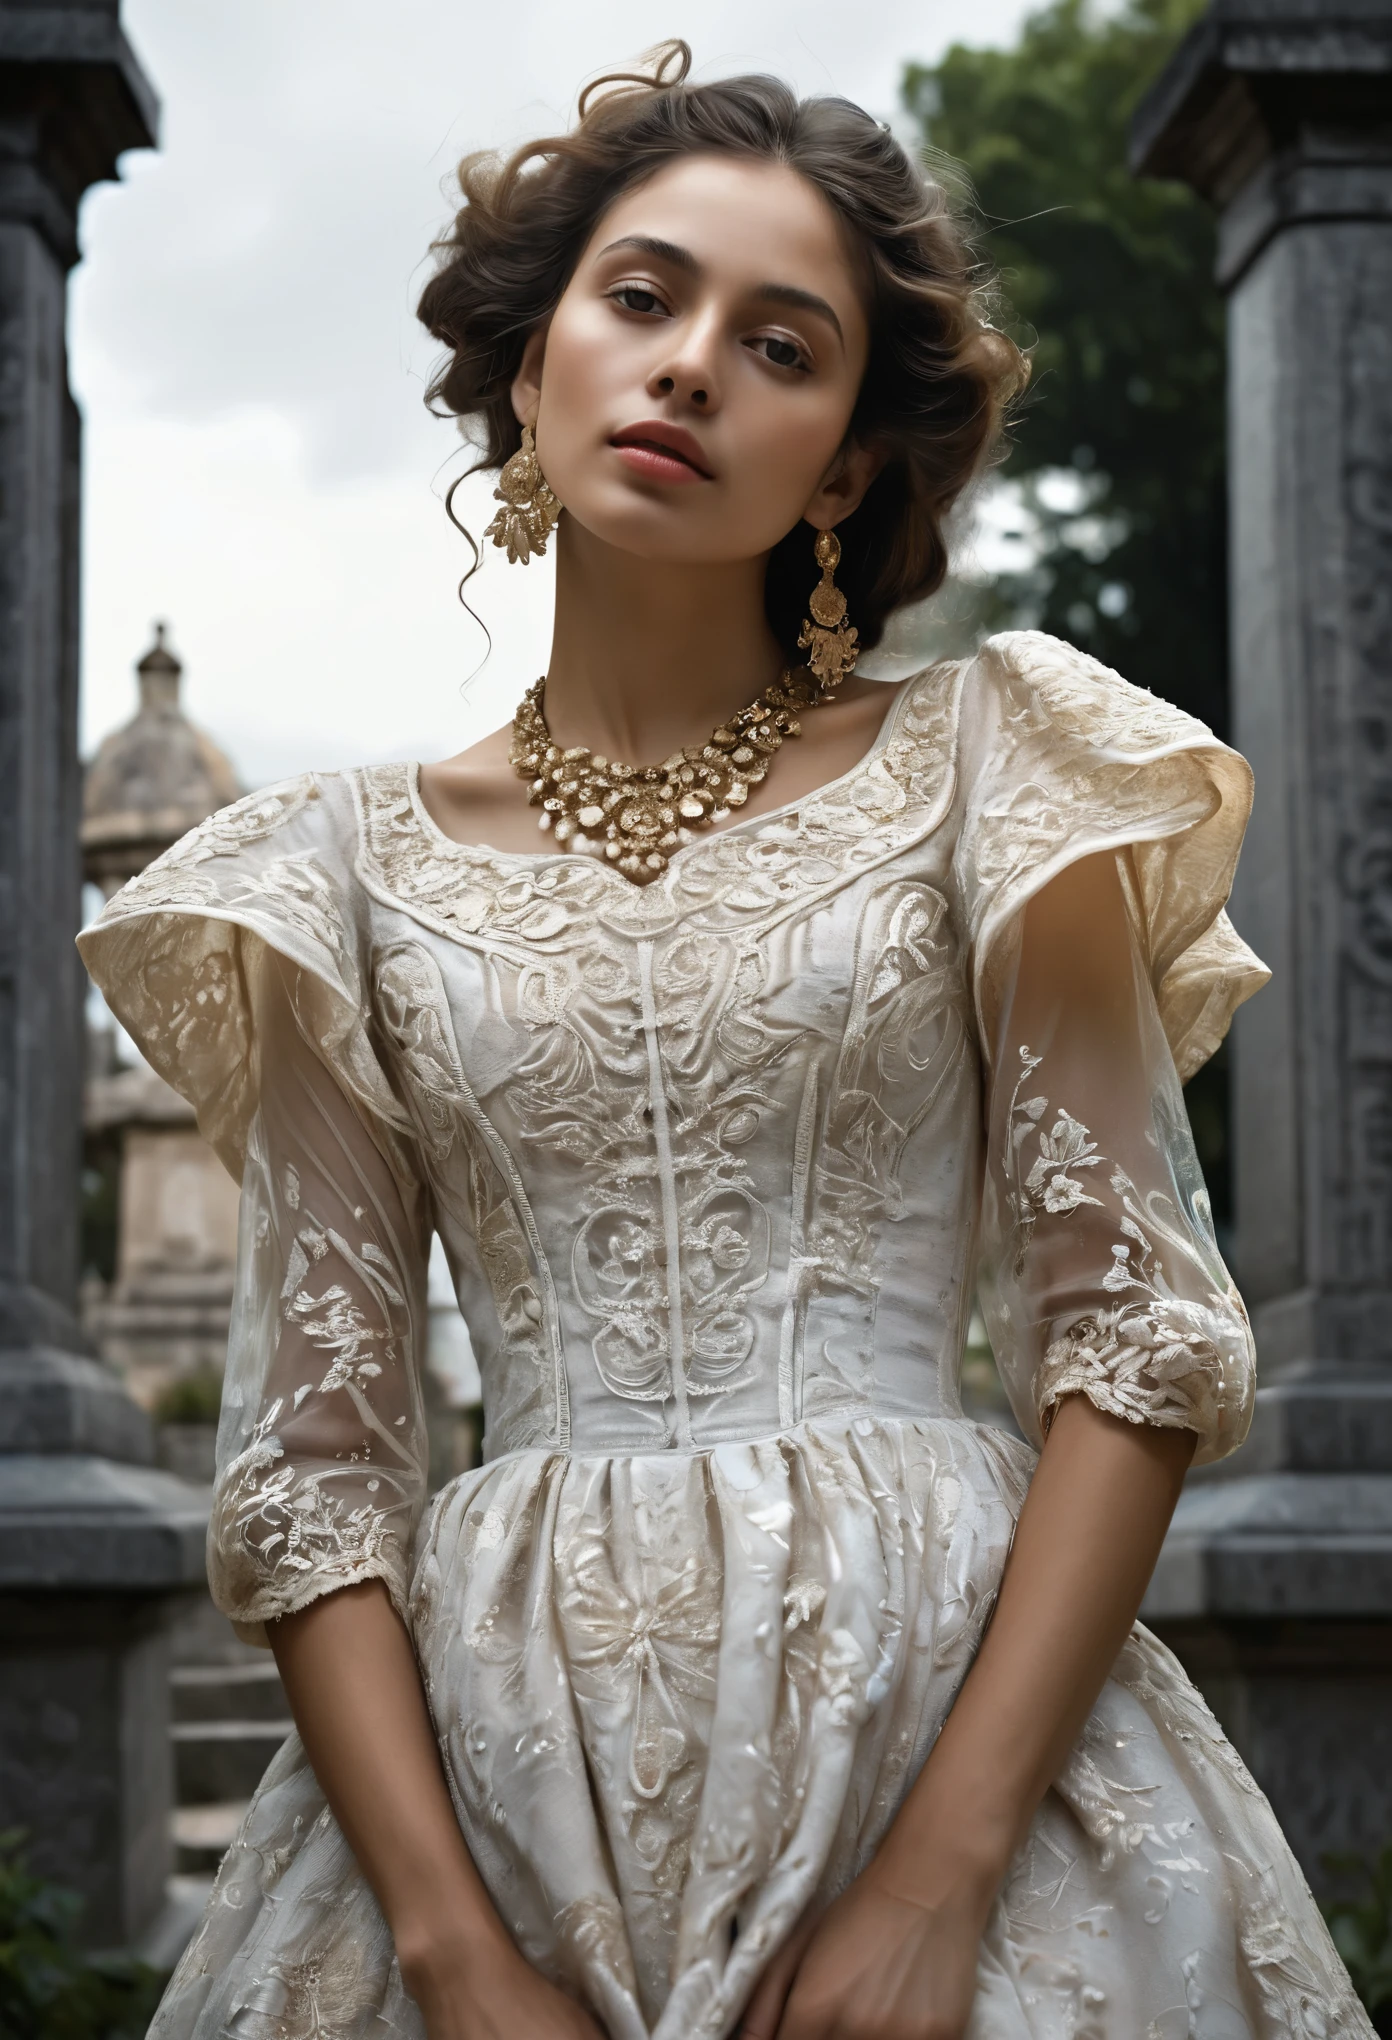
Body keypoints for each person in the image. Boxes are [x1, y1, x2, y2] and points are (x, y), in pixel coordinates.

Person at [80, 44, 1371, 2040]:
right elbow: (321, 1472)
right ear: (535, 368)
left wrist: (945, 1875)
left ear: (847, 464)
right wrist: (446, 1952)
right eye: (642, 297)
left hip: (964, 1725)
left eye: (784, 346)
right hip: (501, 1782)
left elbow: (1123, 1337)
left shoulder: (991, 767)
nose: (691, 368)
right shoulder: (329, 872)